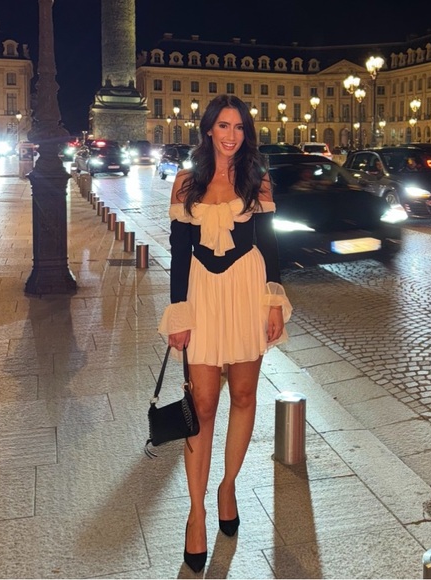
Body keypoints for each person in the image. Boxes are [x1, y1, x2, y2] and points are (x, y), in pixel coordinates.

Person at [157, 94, 292, 574]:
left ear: (245, 132)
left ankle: (228, 486)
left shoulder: (258, 178)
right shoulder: (186, 181)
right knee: (203, 405)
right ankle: (196, 514)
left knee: (244, 395)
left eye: (238, 127)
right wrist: (178, 313)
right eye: (223, 126)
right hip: (202, 292)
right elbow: (178, 251)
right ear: (209, 129)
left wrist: (274, 300)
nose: (231, 135)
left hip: (248, 288)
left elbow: (269, 242)